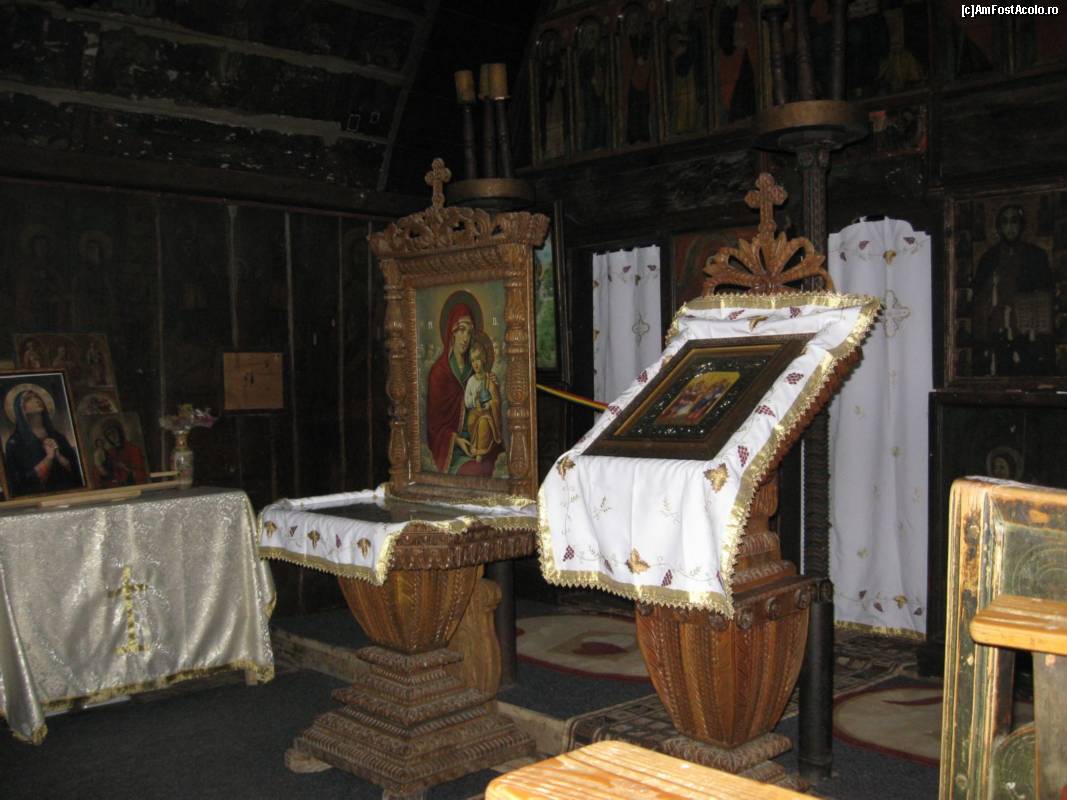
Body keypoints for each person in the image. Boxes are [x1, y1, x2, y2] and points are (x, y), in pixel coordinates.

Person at [971, 205, 1055, 376]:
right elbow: (978, 299)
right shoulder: (988, 258)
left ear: (1022, 225)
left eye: (1014, 221)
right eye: (1005, 222)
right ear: (999, 227)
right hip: (997, 336)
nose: (1009, 227)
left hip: (1028, 334)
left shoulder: (1036, 256)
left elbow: (1045, 296)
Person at [3, 387, 82, 497]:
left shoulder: (58, 437)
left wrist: (59, 457)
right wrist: (48, 458)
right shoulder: (15, 443)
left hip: (67, 494)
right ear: (21, 408)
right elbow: (18, 481)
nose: (37, 400)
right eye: (29, 399)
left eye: (37, 397)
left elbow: (77, 471)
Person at [463, 340, 502, 462]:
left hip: (487, 413)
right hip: (475, 412)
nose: (475, 364)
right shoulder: (471, 381)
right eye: (473, 361)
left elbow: (495, 400)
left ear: (484, 360)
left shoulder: (489, 378)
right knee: (472, 421)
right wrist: (474, 401)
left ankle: (481, 451)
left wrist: (488, 405)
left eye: (478, 360)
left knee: (484, 422)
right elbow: (466, 401)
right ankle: (475, 447)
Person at [101, 419, 147, 486]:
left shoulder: (133, 449)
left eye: (114, 432)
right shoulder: (109, 453)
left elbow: (141, 473)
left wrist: (125, 467)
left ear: (119, 431)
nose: (113, 436)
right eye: (109, 434)